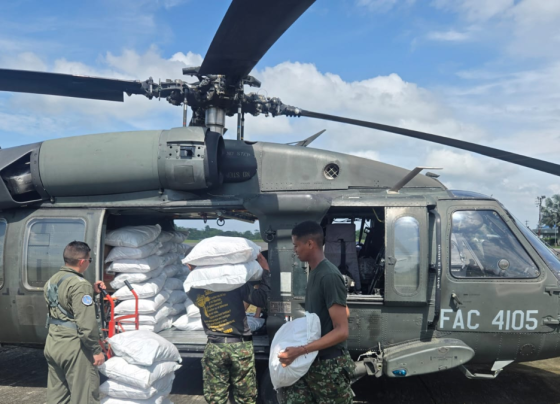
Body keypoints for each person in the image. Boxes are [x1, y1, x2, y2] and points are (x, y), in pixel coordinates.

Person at [278, 221, 354, 404]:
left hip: (330, 365)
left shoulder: (328, 275)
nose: (294, 250)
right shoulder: (315, 272)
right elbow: (344, 311)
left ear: (310, 243)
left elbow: (342, 331)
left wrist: (300, 350)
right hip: (315, 360)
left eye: (296, 245)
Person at [187, 253, 271, 404]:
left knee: (216, 398)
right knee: (245, 397)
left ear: (190, 266)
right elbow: (262, 299)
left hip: (215, 346)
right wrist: (265, 272)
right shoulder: (234, 282)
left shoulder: (193, 288)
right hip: (240, 346)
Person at [43, 241, 106, 404]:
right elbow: (86, 324)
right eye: (89, 260)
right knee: (84, 396)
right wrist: (96, 350)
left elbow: (64, 304)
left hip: (53, 343)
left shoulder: (52, 280)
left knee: (57, 397)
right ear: (82, 261)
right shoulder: (80, 285)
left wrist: (91, 292)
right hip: (74, 347)